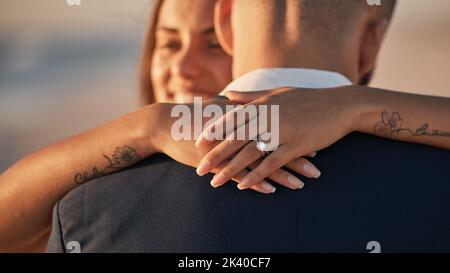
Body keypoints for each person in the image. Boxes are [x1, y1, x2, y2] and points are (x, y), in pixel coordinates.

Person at [45, 0, 450, 252]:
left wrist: (150, 125)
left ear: (224, 23)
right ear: (371, 42)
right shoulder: (437, 188)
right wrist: (357, 106)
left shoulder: (87, 212)